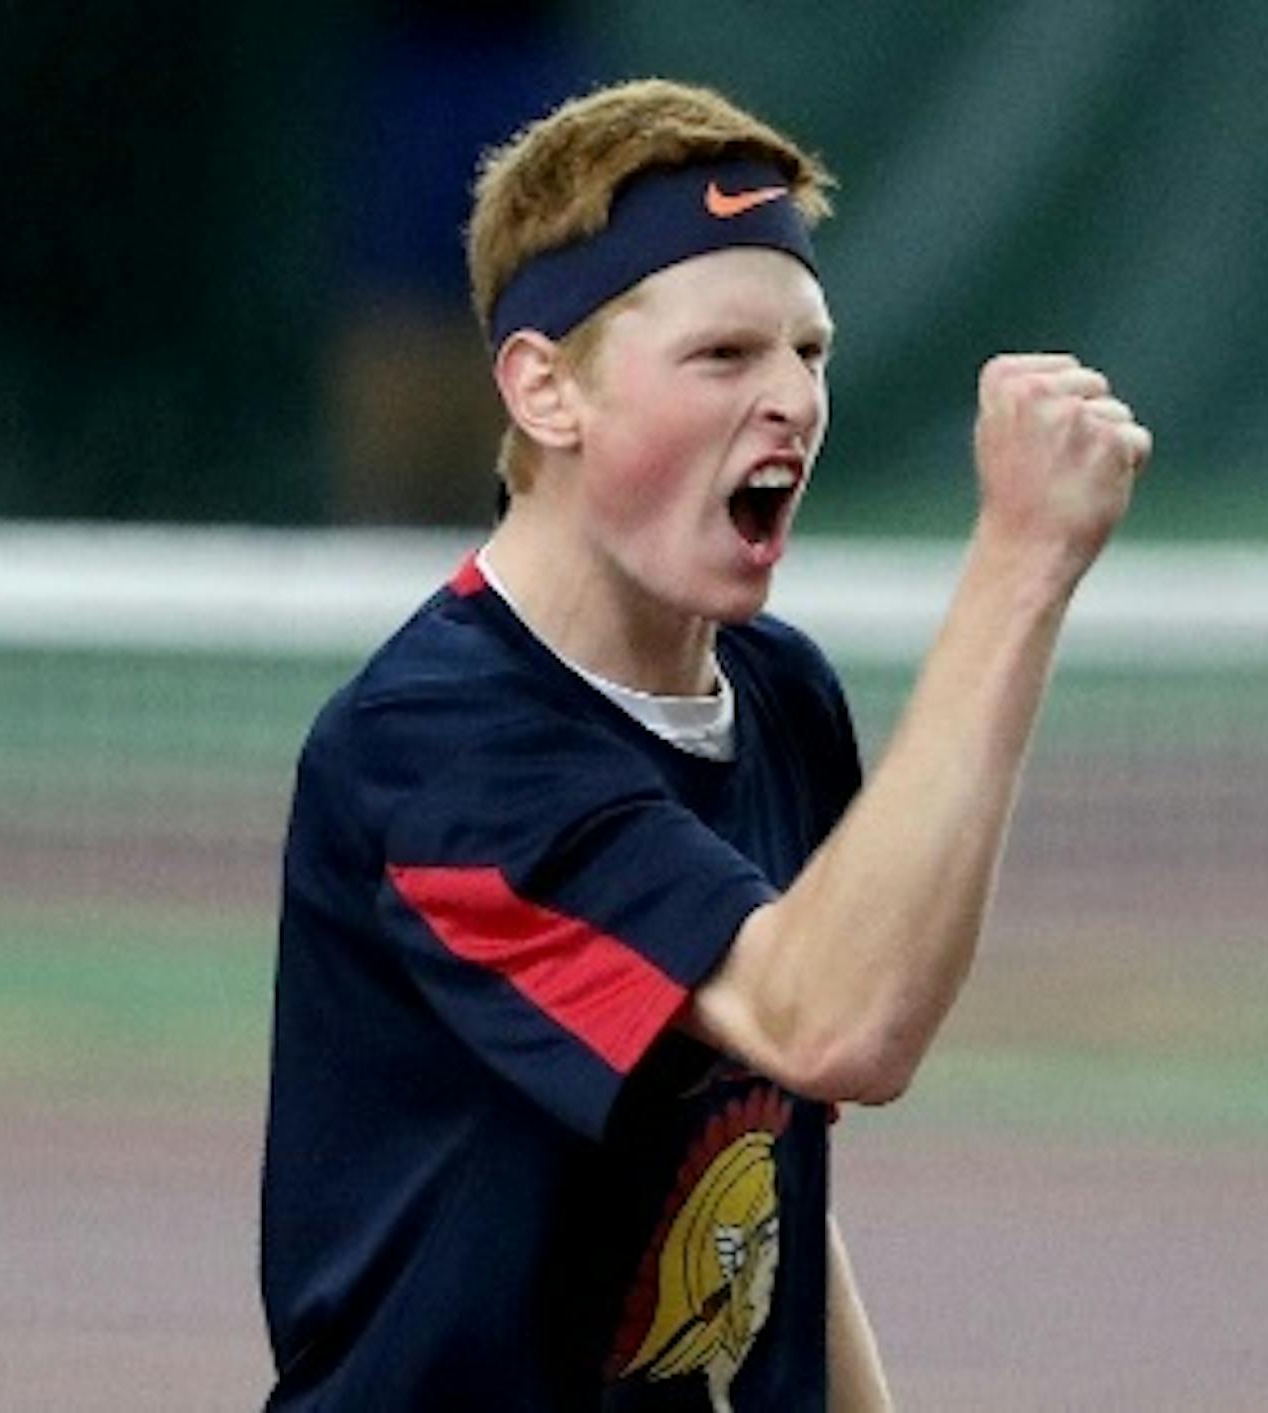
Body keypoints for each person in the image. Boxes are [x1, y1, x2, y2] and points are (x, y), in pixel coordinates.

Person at [259, 77, 1151, 1411]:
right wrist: (1020, 565)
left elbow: (767, 1165)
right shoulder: (435, 747)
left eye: (811, 351)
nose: (792, 396)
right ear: (546, 389)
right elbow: (833, 1021)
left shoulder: (781, 695)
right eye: (725, 356)